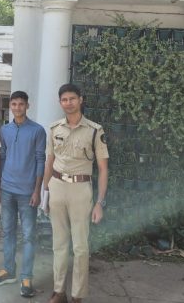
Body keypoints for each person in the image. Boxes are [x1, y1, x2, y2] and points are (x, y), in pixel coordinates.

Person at [43, 83, 109, 303]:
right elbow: (49, 162)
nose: (68, 103)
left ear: (81, 100)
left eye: (72, 98)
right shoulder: (54, 129)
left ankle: (77, 295)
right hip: (57, 187)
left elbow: (103, 168)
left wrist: (99, 202)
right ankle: (59, 291)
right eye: (64, 99)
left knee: (80, 247)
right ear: (60, 102)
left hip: (80, 190)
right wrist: (45, 192)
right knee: (59, 244)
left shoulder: (94, 130)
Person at [0, 91, 46, 298]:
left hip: (27, 192)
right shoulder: (4, 130)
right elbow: (2, 158)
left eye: (21, 104)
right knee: (8, 231)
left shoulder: (37, 130)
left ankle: (26, 277)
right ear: (10, 106)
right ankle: (8, 270)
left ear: (27, 106)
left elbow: (41, 160)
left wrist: (37, 190)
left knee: (29, 236)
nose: (17, 107)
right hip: (7, 190)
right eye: (14, 104)